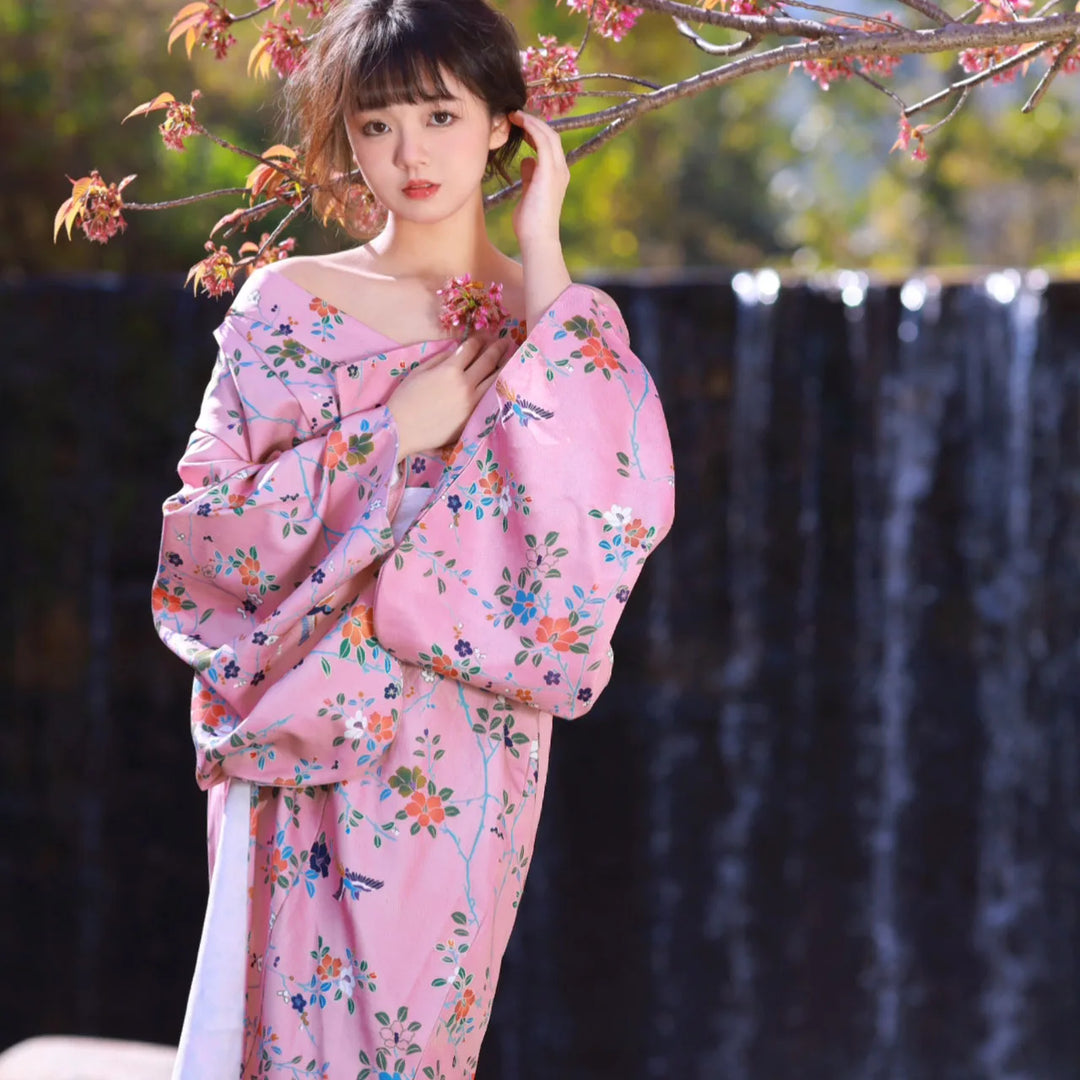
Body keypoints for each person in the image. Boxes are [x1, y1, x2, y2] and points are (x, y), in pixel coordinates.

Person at [152, 1, 675, 1077]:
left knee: (417, 1046)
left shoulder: (562, 326)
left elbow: (610, 526)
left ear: (502, 126)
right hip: (299, 724)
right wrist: (393, 433)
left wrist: (541, 245)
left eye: (441, 114)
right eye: (379, 123)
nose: (409, 152)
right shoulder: (285, 303)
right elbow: (206, 539)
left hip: (465, 743)